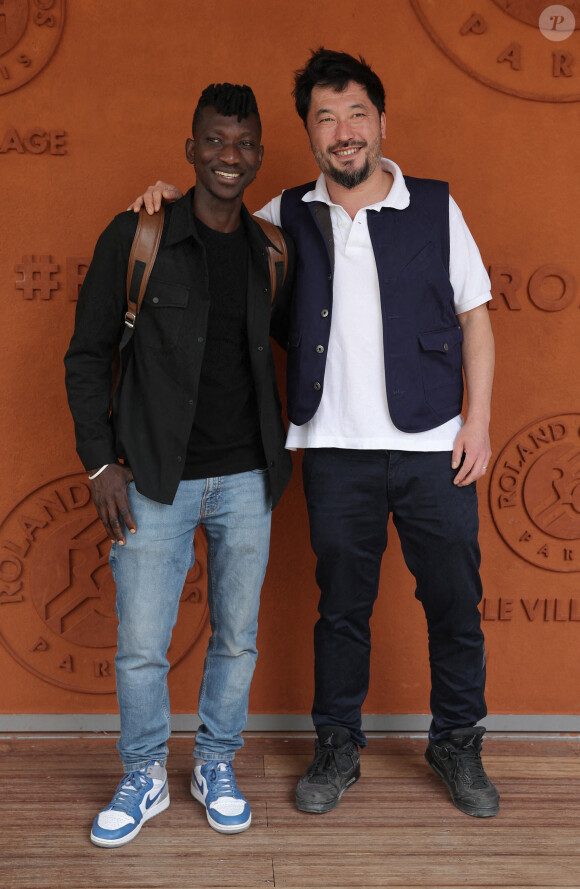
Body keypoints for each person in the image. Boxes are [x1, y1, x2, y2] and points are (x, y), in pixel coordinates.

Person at [131, 48, 499, 820]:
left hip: (435, 444)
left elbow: (475, 317)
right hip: (332, 450)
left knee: (455, 602)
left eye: (356, 114)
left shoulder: (435, 206)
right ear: (308, 133)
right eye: (325, 118)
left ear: (380, 121)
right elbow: (213, 225)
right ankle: (338, 744)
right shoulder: (280, 218)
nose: (343, 132)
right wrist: (164, 201)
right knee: (342, 609)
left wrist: (481, 424)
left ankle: (457, 742)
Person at [65, 83, 294, 847]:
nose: (231, 157)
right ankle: (144, 775)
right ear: (189, 148)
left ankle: (216, 762)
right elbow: (87, 355)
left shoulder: (271, 251)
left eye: (244, 143)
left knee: (236, 636)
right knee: (141, 645)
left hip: (248, 480)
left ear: (259, 152)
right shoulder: (138, 235)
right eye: (215, 142)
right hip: (154, 480)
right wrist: (101, 465)